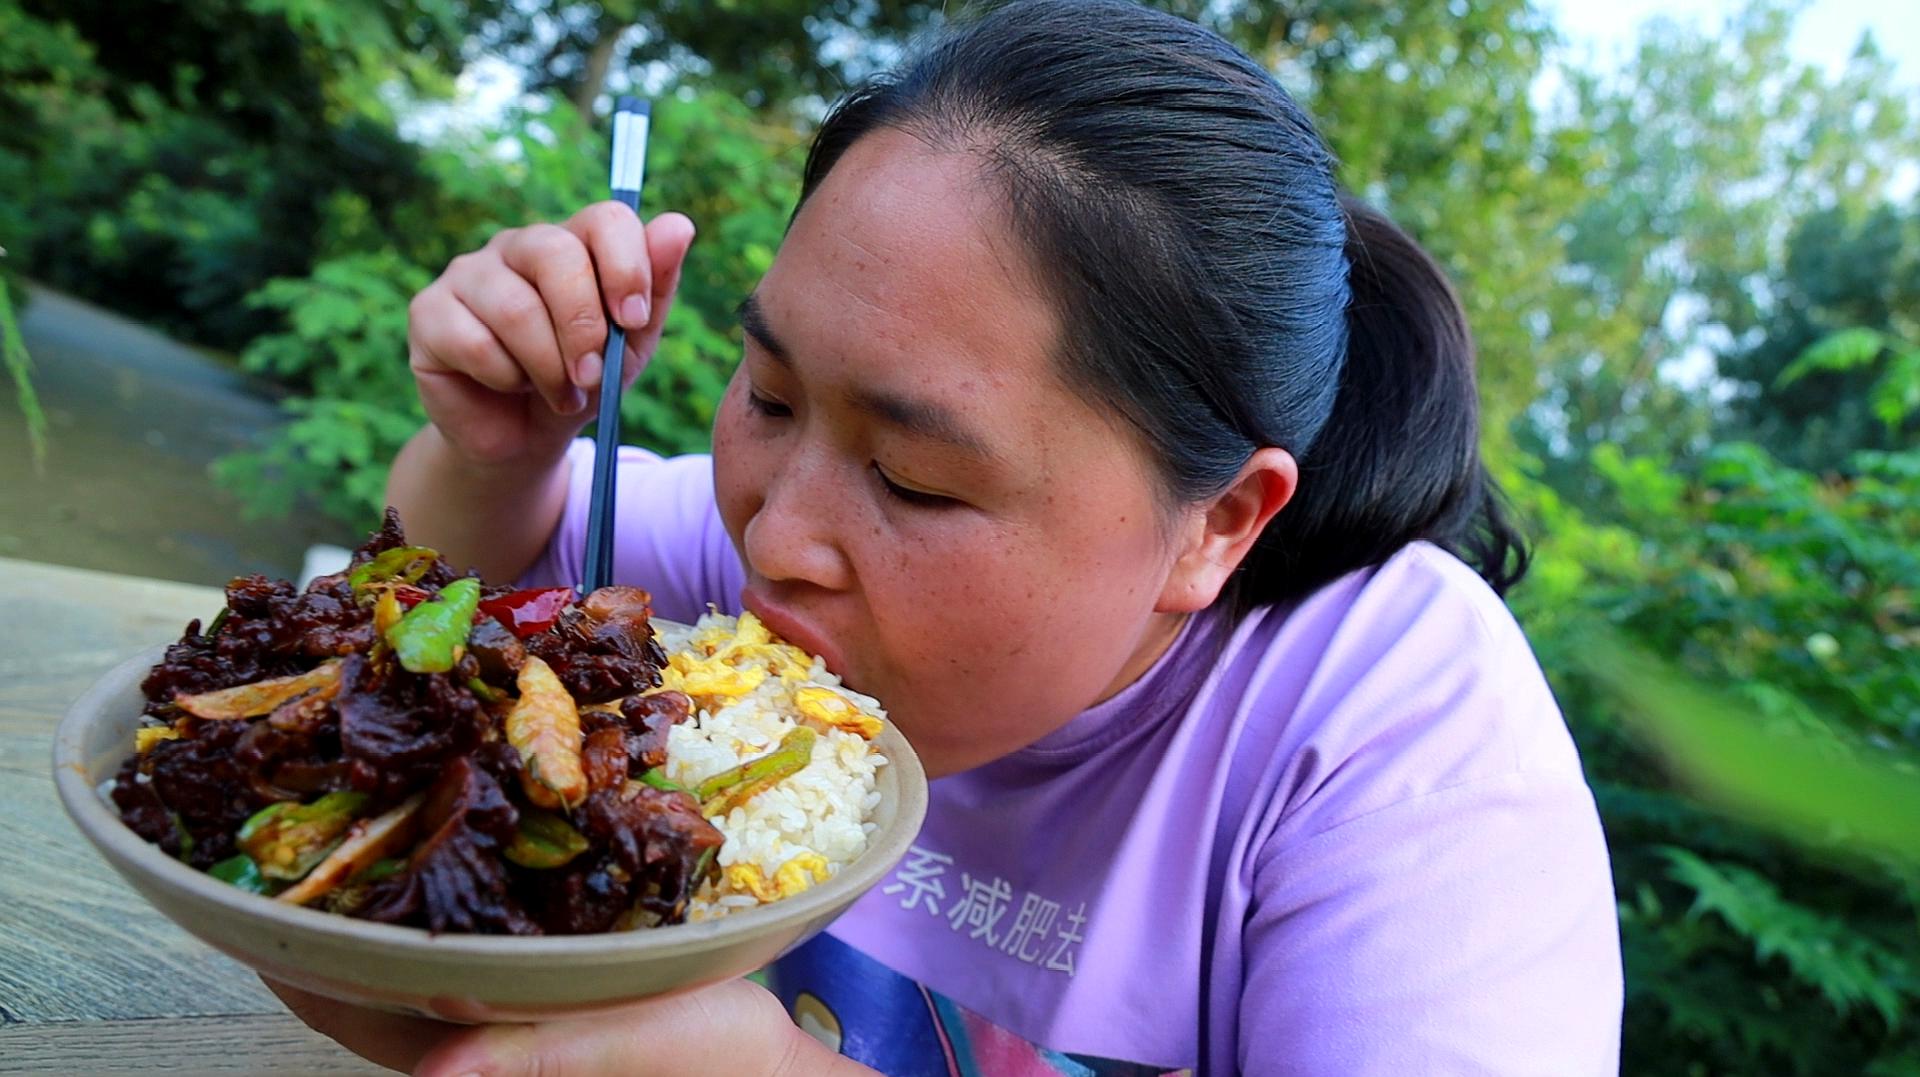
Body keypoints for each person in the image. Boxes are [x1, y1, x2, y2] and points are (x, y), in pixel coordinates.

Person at [275, 1, 1623, 1072]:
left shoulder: (1392, 727)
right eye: (772, 393)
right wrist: (493, 453)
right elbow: (456, 598)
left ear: (1215, 523)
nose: (776, 536)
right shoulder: (736, 571)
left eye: (914, 479)